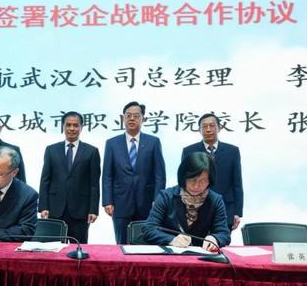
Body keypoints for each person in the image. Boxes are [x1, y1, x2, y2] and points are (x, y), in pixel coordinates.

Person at [102, 101, 166, 244]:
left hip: (147, 203)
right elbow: (107, 175)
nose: (132, 119)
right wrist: (107, 201)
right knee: (122, 244)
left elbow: (160, 175)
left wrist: (158, 200)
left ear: (143, 119)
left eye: (136, 116)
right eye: (128, 115)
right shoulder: (112, 143)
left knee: (147, 244)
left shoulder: (153, 142)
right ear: (122, 118)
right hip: (120, 203)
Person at [143, 152, 230, 250]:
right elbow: (148, 229)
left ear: (210, 180)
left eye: (202, 181)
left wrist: (215, 238)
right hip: (169, 254)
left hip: (201, 255)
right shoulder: (166, 197)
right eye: (192, 180)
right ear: (183, 177)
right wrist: (171, 239)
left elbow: (224, 233)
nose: (196, 186)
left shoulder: (215, 201)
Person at [39, 111, 101, 243]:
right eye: (68, 125)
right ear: (63, 126)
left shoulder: (92, 151)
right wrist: (43, 206)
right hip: (55, 209)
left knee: (78, 248)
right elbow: (45, 180)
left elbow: (94, 184)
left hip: (81, 210)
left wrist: (93, 210)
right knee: (54, 249)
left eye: (75, 125)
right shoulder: (51, 150)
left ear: (81, 127)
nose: (72, 128)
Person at [181, 113, 244, 231]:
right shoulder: (189, 151)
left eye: (212, 125)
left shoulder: (232, 151)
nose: (208, 129)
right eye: (204, 126)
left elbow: (237, 183)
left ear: (219, 128)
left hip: (226, 209)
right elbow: (184, 183)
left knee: (220, 241)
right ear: (199, 130)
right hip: (196, 210)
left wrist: (237, 212)